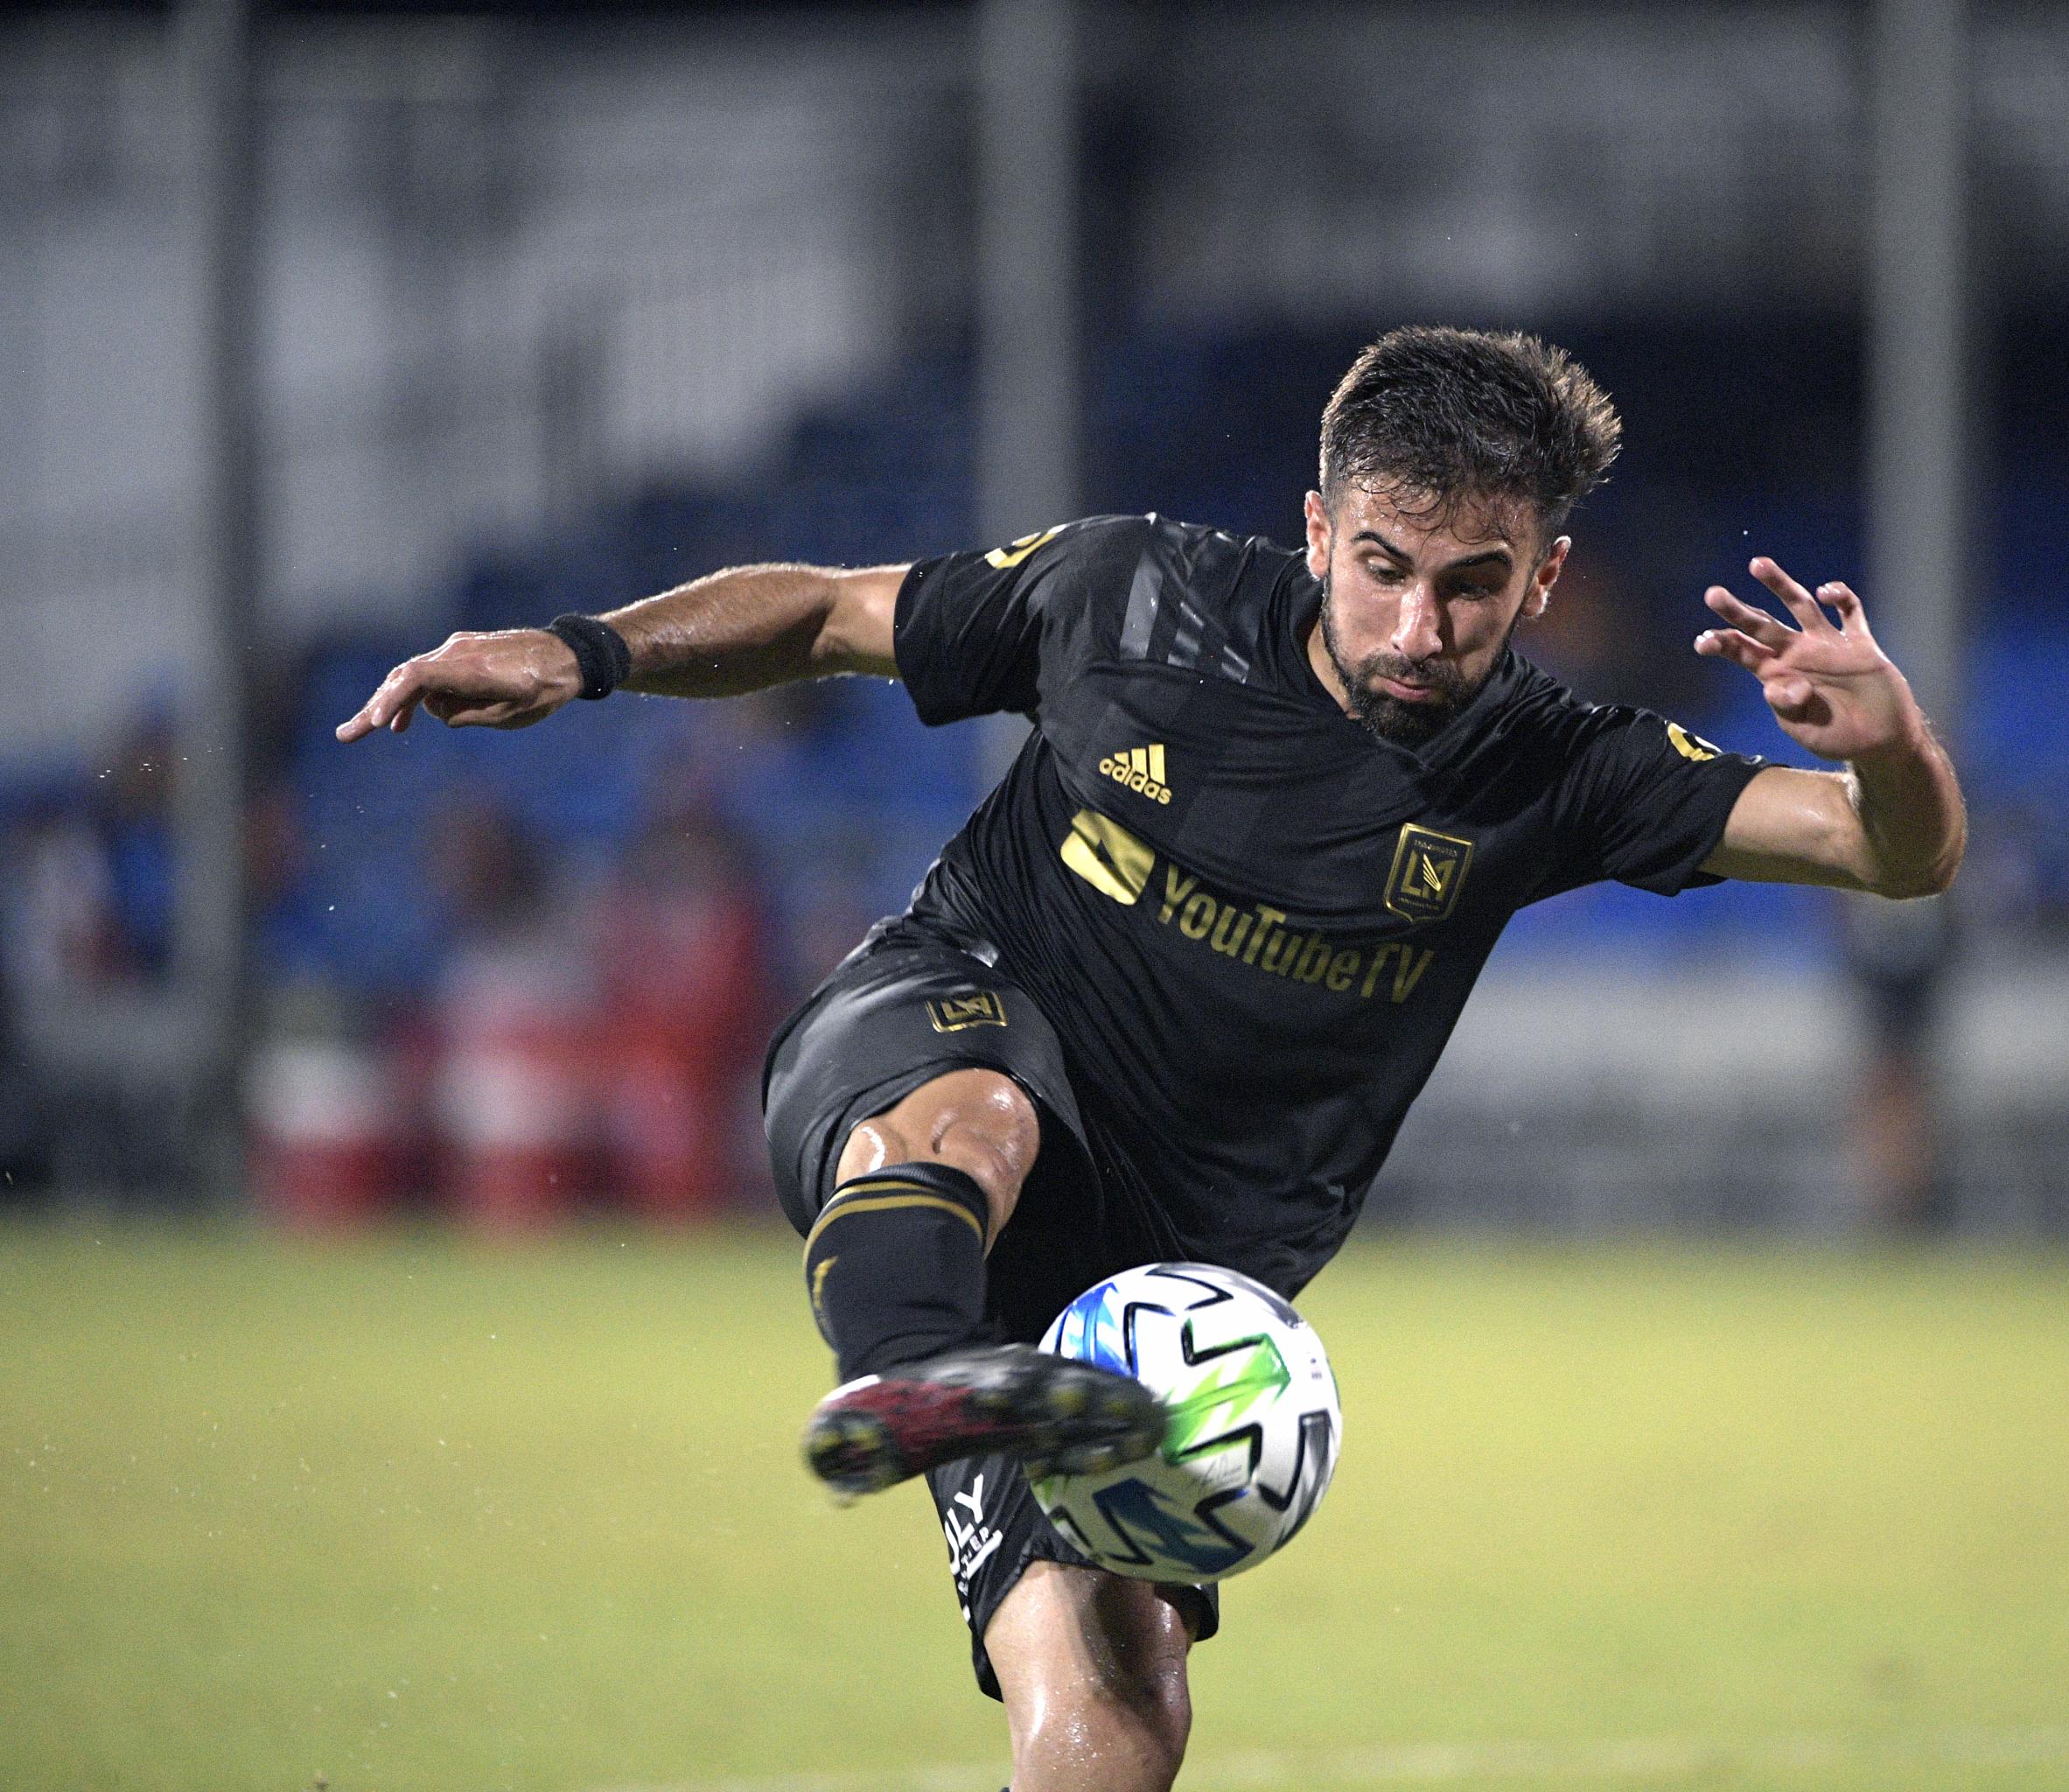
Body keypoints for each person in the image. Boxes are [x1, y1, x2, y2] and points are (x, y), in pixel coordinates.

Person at [336, 328, 1964, 1791]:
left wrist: (1888, 746)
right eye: (1382, 565)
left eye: (1473, 586)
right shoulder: (1132, 597)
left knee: (1120, 1732)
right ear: (1317, 530)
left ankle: (962, 1394)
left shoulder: (1557, 768)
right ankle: (917, 1373)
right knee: (976, 1122)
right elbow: (835, 613)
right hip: (947, 1025)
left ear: (1543, 581)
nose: (1418, 624)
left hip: (1155, 1289)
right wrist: (580, 654)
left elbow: (1888, 857)